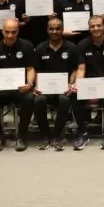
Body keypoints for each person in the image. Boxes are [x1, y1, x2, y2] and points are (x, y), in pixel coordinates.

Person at [0, 19, 36, 152]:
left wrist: (30, 84)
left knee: (29, 98)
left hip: (20, 88)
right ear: (2, 31)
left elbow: (30, 69)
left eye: (13, 32)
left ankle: (22, 135)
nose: (10, 35)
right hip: (1, 89)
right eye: (7, 32)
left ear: (18, 31)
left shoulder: (27, 45)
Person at [73, 15, 104, 150]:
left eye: (99, 25)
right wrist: (77, 84)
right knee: (73, 95)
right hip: (89, 83)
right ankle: (82, 133)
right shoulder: (82, 45)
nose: (96, 28)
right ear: (89, 29)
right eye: (92, 26)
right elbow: (81, 69)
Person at [33, 18, 78, 151]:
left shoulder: (71, 48)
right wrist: (36, 86)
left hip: (64, 89)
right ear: (47, 30)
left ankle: (57, 135)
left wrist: (71, 84)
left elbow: (75, 69)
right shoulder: (40, 48)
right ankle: (45, 135)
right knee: (38, 100)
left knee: (64, 100)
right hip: (45, 89)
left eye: (58, 28)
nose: (54, 31)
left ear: (62, 30)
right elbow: (36, 70)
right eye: (51, 29)